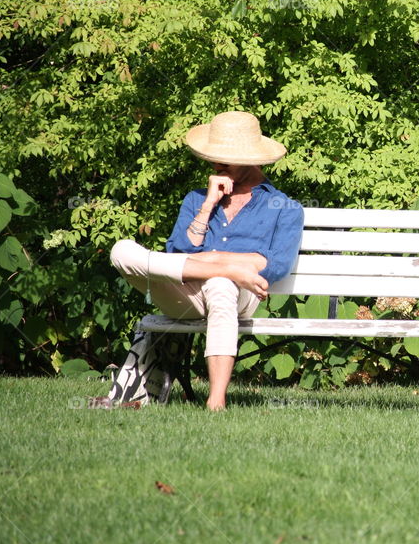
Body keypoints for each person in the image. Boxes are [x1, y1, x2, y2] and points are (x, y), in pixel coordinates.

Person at [110, 111, 303, 410]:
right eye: (213, 159)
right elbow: (177, 255)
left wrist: (217, 265)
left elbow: (276, 264)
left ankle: (216, 401)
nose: (215, 166)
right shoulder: (197, 198)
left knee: (221, 285)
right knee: (121, 250)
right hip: (186, 293)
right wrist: (208, 205)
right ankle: (228, 273)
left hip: (241, 294)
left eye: (224, 161)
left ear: (251, 159)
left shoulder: (284, 207)